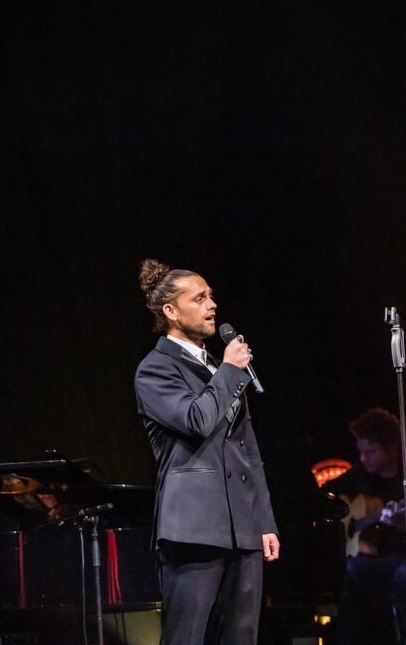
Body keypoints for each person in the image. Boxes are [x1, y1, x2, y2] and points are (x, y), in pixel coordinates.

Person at [134, 258, 279, 645]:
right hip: (193, 528)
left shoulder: (218, 366)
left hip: (243, 528)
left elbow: (247, 449)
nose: (211, 304)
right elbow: (196, 420)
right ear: (171, 311)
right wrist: (229, 371)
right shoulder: (155, 369)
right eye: (199, 298)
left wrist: (264, 520)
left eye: (211, 296)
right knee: (187, 637)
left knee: (241, 637)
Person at [324, 407, 406, 645]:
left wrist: (404, 523)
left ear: (392, 448)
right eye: (361, 451)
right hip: (379, 560)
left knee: (404, 575)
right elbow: (327, 496)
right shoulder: (361, 475)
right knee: (349, 571)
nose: (363, 458)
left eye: (371, 451)